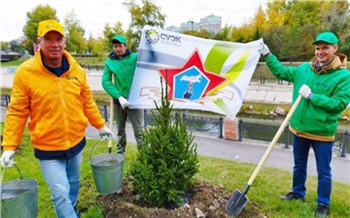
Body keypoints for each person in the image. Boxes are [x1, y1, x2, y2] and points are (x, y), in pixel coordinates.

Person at [0, 19, 113, 218]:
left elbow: (87, 101)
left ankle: (72, 210)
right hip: (48, 147)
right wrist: (9, 146)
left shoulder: (76, 70)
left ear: (65, 42)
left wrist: (101, 126)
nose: (55, 44)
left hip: (76, 142)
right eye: (48, 39)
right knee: (60, 193)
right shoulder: (25, 73)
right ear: (39, 42)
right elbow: (17, 111)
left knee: (73, 185)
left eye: (59, 39)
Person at [259, 32, 350, 217]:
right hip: (298, 129)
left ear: (335, 49)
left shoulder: (343, 76)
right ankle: (298, 193)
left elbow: (339, 103)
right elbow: (281, 72)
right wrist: (268, 54)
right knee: (298, 165)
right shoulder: (303, 69)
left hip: (321, 133)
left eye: (325, 48)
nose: (320, 52)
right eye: (318, 48)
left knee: (323, 171)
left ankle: (323, 204)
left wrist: (312, 96)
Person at [102, 35, 143, 152]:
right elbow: (105, 82)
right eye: (115, 46)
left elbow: (147, 62)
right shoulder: (109, 63)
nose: (118, 48)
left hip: (133, 100)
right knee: (120, 130)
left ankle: (144, 154)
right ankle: (120, 154)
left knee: (139, 131)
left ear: (125, 46)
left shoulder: (134, 58)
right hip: (118, 102)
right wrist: (118, 96)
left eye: (120, 46)